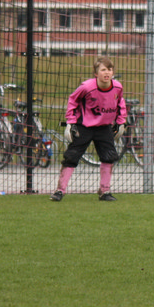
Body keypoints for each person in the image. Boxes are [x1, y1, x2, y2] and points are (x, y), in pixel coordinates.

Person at [50, 56, 128, 202]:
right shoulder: (87, 87)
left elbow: (120, 102)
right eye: (103, 70)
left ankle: (104, 191)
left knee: (109, 157)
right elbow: (73, 100)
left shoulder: (118, 87)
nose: (107, 72)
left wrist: (120, 122)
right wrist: (71, 122)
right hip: (84, 127)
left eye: (109, 69)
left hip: (104, 128)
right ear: (96, 73)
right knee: (71, 157)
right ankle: (60, 190)